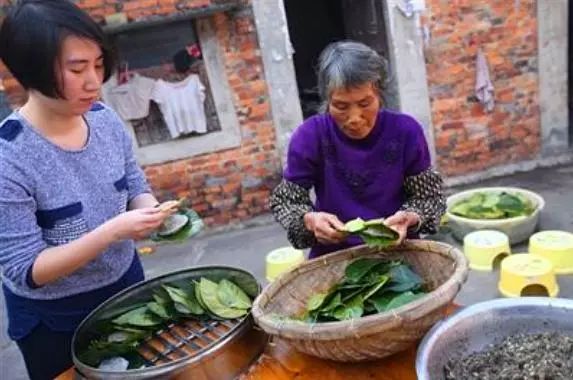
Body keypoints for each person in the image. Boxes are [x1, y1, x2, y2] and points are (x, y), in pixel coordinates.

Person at [0, 1, 173, 378]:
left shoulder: (105, 120)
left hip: (125, 288)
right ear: (31, 70)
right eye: (77, 69)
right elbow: (26, 269)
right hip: (55, 318)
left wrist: (151, 211)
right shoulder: (8, 157)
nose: (94, 81)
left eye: (97, 65)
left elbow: (133, 185)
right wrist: (114, 231)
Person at [270, 41, 446, 259]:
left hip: (399, 252)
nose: (354, 118)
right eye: (341, 106)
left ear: (379, 93)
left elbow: (429, 198)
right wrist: (309, 220)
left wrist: (411, 217)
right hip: (332, 257)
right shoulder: (310, 136)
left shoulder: (405, 132)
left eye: (365, 103)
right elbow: (286, 201)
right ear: (327, 100)